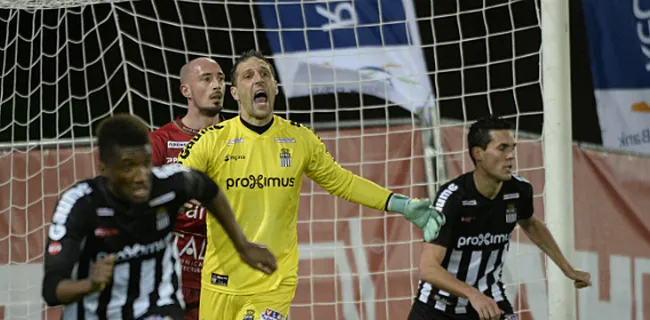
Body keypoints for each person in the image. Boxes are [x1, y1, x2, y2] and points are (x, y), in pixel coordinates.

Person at [176, 49, 446, 320]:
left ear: (275, 87)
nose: (258, 80)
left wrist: (401, 203)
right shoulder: (211, 140)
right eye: (248, 76)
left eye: (265, 74)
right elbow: (176, 180)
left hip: (273, 283)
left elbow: (343, 182)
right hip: (220, 281)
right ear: (234, 93)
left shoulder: (299, 138)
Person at [41, 114, 276, 320]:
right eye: (128, 167)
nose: (141, 176)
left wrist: (242, 245)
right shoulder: (79, 205)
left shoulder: (169, 184)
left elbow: (207, 188)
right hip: (94, 313)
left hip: (156, 306)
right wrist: (90, 284)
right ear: (104, 168)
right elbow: (52, 289)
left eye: (145, 163)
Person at [407, 115, 591, 320]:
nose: (511, 155)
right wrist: (473, 294)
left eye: (513, 148)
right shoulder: (454, 198)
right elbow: (428, 268)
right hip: (437, 307)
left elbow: (530, 223)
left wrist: (567, 269)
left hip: (490, 301)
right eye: (502, 148)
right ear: (478, 153)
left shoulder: (519, 190)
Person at [149, 57, 225, 319]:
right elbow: (136, 200)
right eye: (207, 79)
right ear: (186, 91)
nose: (217, 85)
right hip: (176, 275)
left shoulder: (239, 139)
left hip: (226, 272)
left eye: (221, 79)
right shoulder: (161, 141)